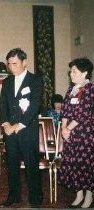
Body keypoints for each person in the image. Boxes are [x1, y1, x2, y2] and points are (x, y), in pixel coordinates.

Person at [0, 48, 43, 208]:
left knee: (32, 166)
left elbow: (35, 105)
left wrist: (21, 124)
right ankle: (14, 196)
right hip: (10, 131)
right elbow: (3, 104)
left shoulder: (35, 80)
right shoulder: (7, 81)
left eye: (15, 63)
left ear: (24, 63)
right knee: (11, 166)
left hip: (27, 130)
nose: (11, 67)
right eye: (9, 64)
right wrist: (5, 124)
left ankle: (35, 199)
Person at [58, 57, 94, 208]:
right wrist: (63, 129)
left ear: (84, 73)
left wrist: (68, 128)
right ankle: (78, 194)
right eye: (70, 71)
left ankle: (89, 196)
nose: (71, 74)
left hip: (85, 134)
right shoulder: (71, 90)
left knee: (85, 165)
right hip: (70, 135)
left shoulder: (90, 90)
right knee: (73, 164)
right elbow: (64, 111)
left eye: (74, 71)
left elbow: (84, 113)